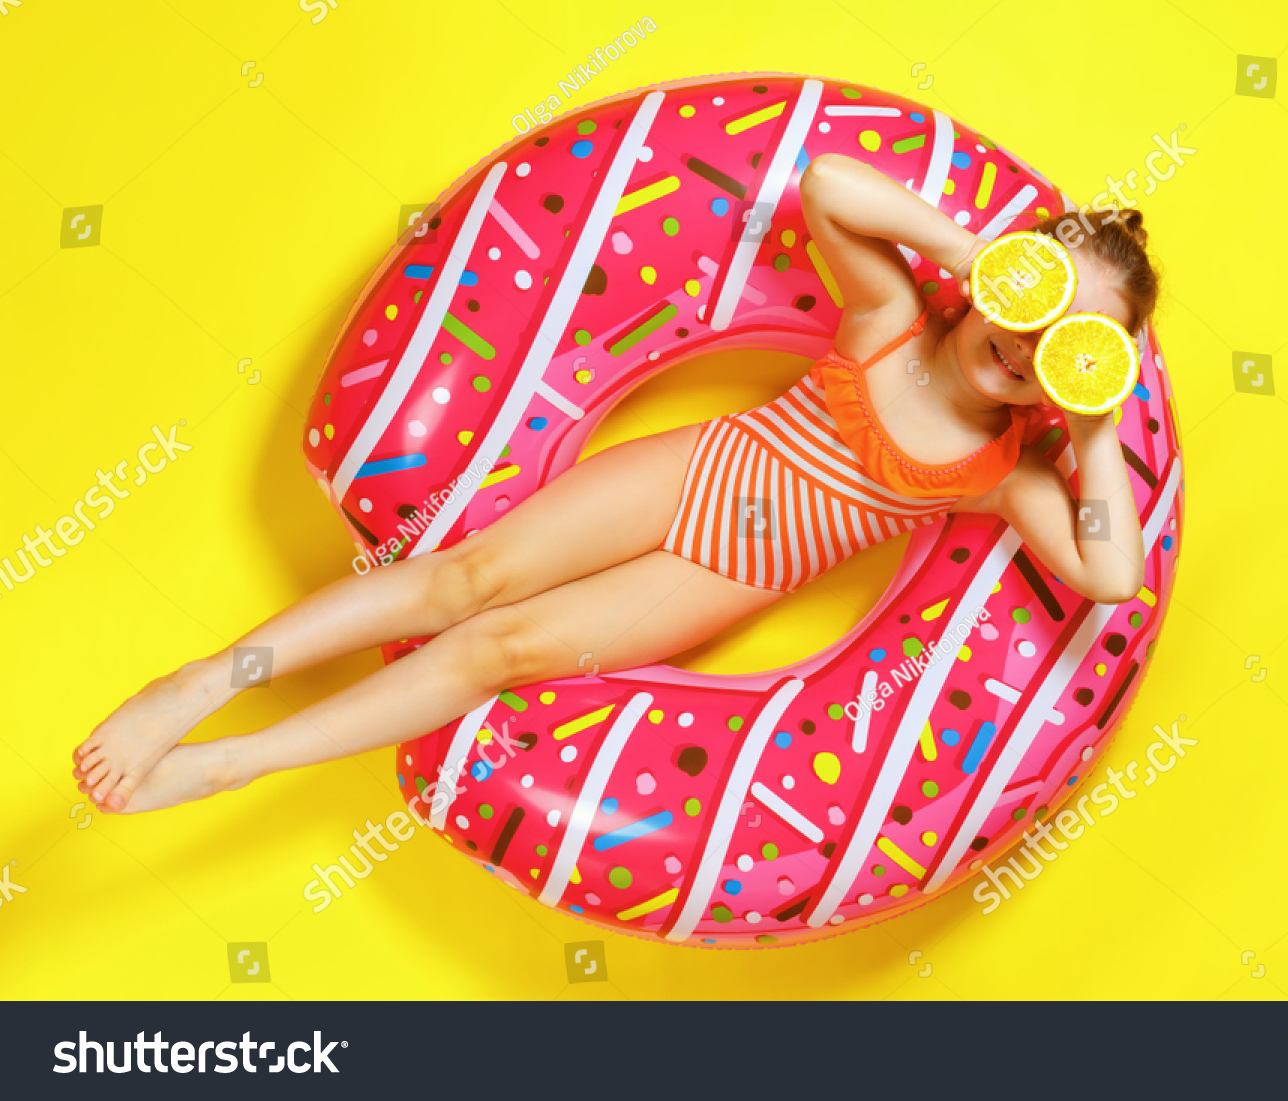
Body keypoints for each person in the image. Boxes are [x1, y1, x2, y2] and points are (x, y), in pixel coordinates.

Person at [72, 153, 1160, 814]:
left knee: (496, 650)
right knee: (464, 579)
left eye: (1076, 344)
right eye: (1038, 299)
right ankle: (212, 678)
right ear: (1007, 278)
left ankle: (241, 762)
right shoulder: (891, 319)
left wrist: (1096, 426)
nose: (1033, 341)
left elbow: (1109, 573)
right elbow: (828, 186)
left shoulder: (1005, 467)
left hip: (722, 573)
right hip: (690, 476)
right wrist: (976, 256)